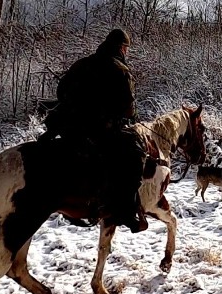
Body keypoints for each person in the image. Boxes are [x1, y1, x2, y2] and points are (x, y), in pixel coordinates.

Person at [39, 29, 148, 232]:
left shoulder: (82, 63)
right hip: (97, 130)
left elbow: (61, 91)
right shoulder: (120, 69)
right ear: (122, 48)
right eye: (126, 48)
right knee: (136, 154)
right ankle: (125, 210)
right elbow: (128, 108)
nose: (127, 52)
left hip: (68, 128)